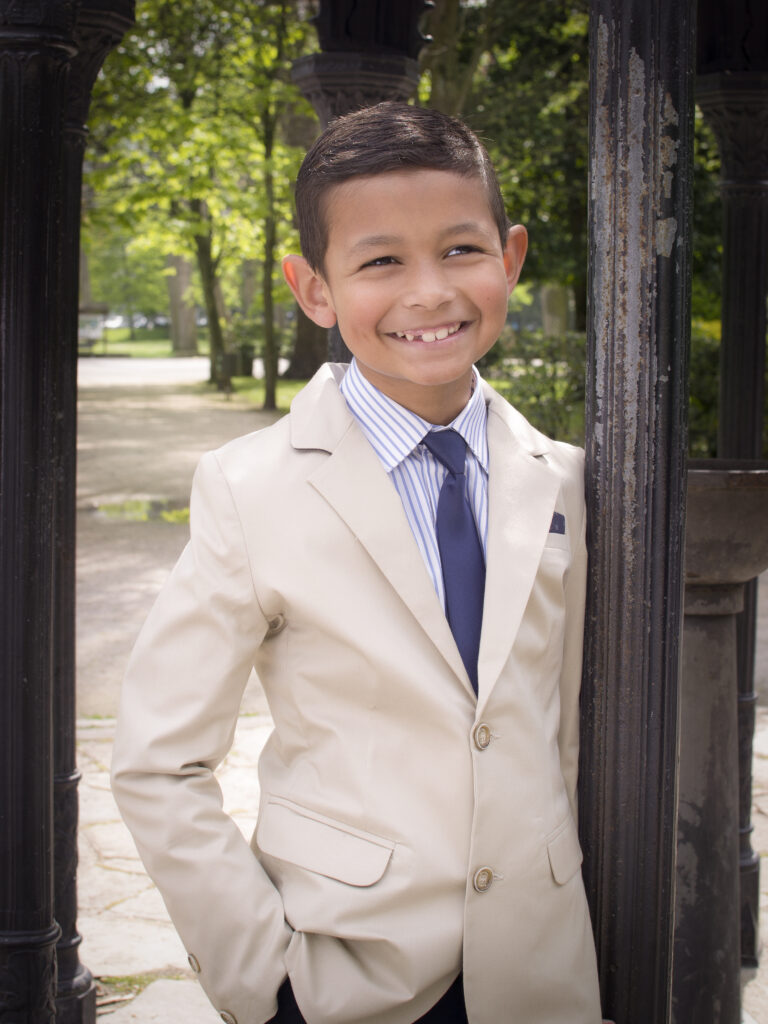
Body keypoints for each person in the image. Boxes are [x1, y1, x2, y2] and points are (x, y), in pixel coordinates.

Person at [111, 102, 602, 1024]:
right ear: (314, 290)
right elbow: (158, 760)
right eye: (381, 262)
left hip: (545, 970)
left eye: (461, 249)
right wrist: (264, 982)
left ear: (510, 258)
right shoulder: (250, 489)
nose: (430, 292)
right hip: (350, 972)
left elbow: (567, 731)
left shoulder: (569, 480)